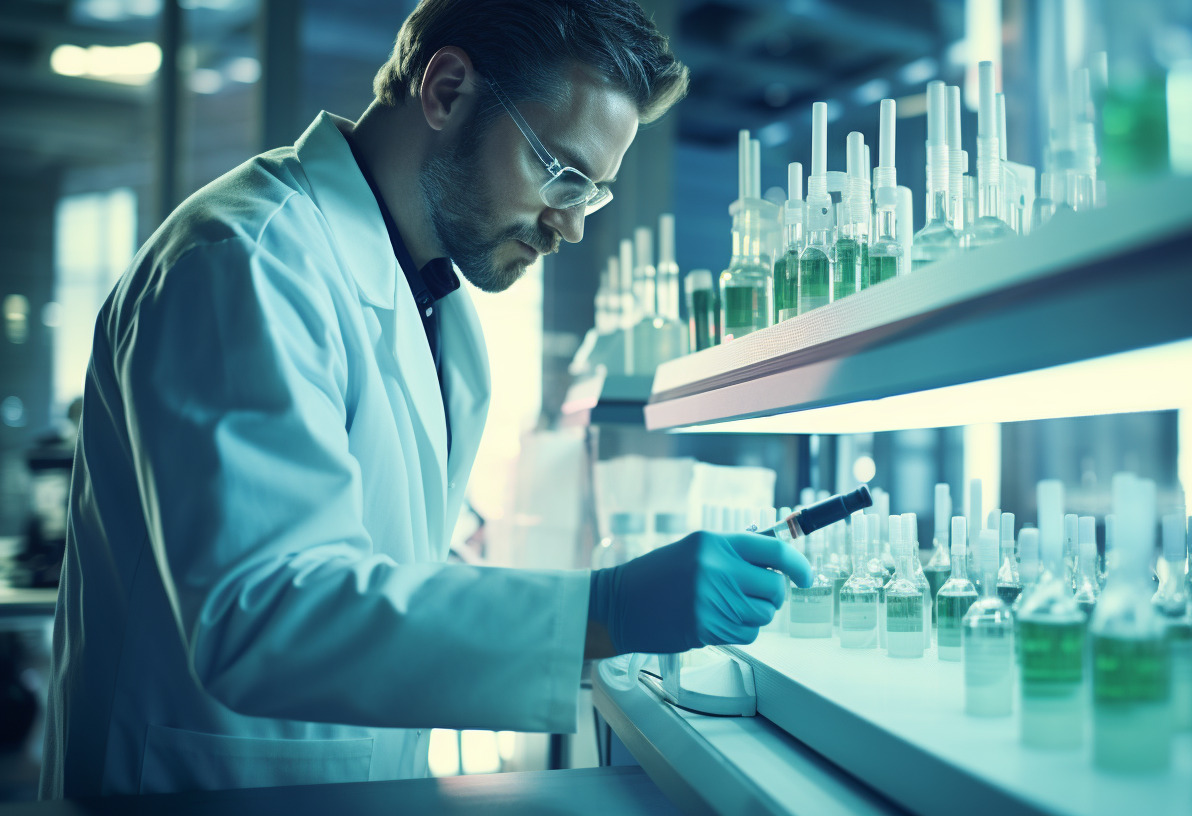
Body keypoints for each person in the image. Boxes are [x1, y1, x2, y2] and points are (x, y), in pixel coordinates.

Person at [42, 0, 809, 798]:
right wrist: (602, 608)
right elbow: (262, 611)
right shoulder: (246, 260)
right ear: (445, 90)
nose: (572, 226)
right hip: (201, 781)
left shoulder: (440, 307)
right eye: (563, 174)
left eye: (594, 194)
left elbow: (370, 556)